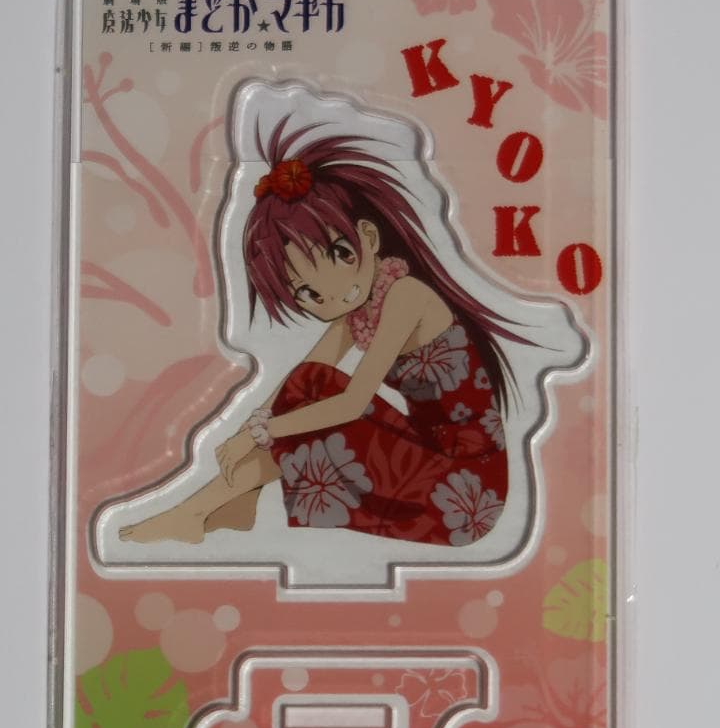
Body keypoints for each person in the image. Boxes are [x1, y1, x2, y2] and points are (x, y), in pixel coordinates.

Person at [119, 115, 528, 548]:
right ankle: (212, 508)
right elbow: (301, 378)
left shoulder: (407, 295)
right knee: (310, 382)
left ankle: (203, 510)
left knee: (317, 399)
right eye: (307, 293)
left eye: (339, 254)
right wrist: (245, 434)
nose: (328, 295)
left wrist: (262, 434)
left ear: (369, 237)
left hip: (465, 495)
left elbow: (351, 403)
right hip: (426, 462)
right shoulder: (360, 310)